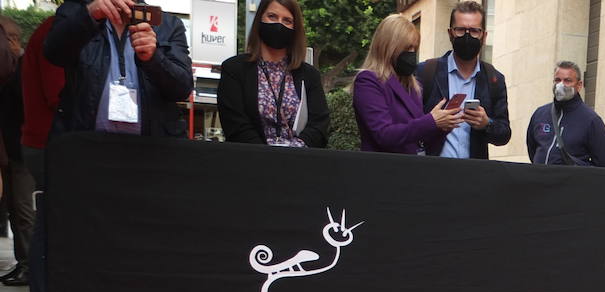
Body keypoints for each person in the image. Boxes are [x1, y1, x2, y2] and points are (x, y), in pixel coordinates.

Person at [44, 0, 192, 138]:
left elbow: (182, 88)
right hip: (85, 144)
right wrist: (88, 16)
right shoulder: (76, 11)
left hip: (151, 149)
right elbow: (54, 53)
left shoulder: (168, 25)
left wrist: (153, 58)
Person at [217, 0, 328, 148]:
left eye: (287, 20)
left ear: (295, 29)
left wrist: (296, 150)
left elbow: (319, 124)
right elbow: (235, 124)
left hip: (300, 162)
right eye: (272, 16)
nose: (279, 25)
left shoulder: (309, 75)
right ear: (260, 20)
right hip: (250, 160)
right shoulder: (234, 69)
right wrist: (268, 157)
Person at [417, 0, 511, 159]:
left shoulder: (494, 79)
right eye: (461, 30)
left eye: (474, 30)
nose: (467, 35)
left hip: (473, 176)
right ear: (450, 33)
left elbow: (504, 135)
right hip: (432, 172)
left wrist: (486, 124)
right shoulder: (425, 72)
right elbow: (407, 125)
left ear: (484, 35)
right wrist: (432, 122)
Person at [351, 13, 453, 155]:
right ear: (388, 47)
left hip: (411, 169)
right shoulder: (368, 81)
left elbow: (418, 139)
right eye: (406, 48)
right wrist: (430, 121)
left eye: (414, 49)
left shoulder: (412, 85)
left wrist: (440, 127)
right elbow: (383, 135)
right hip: (384, 170)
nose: (411, 54)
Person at [20, 14, 61, 292]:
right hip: (49, 142)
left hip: (46, 140)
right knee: (52, 226)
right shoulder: (57, 29)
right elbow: (57, 93)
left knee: (51, 224)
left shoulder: (52, 28)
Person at [526, 61, 605, 167]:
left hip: (571, 182)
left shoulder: (591, 120)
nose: (561, 85)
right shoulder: (540, 114)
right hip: (539, 180)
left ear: (579, 85)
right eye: (557, 80)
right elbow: (532, 149)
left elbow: (603, 165)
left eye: (567, 81)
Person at [0, 16, 31, 286]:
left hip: (21, 147)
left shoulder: (20, 67)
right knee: (14, 208)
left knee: (23, 211)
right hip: (10, 148)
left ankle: (29, 265)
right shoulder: (10, 68)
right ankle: (22, 262)